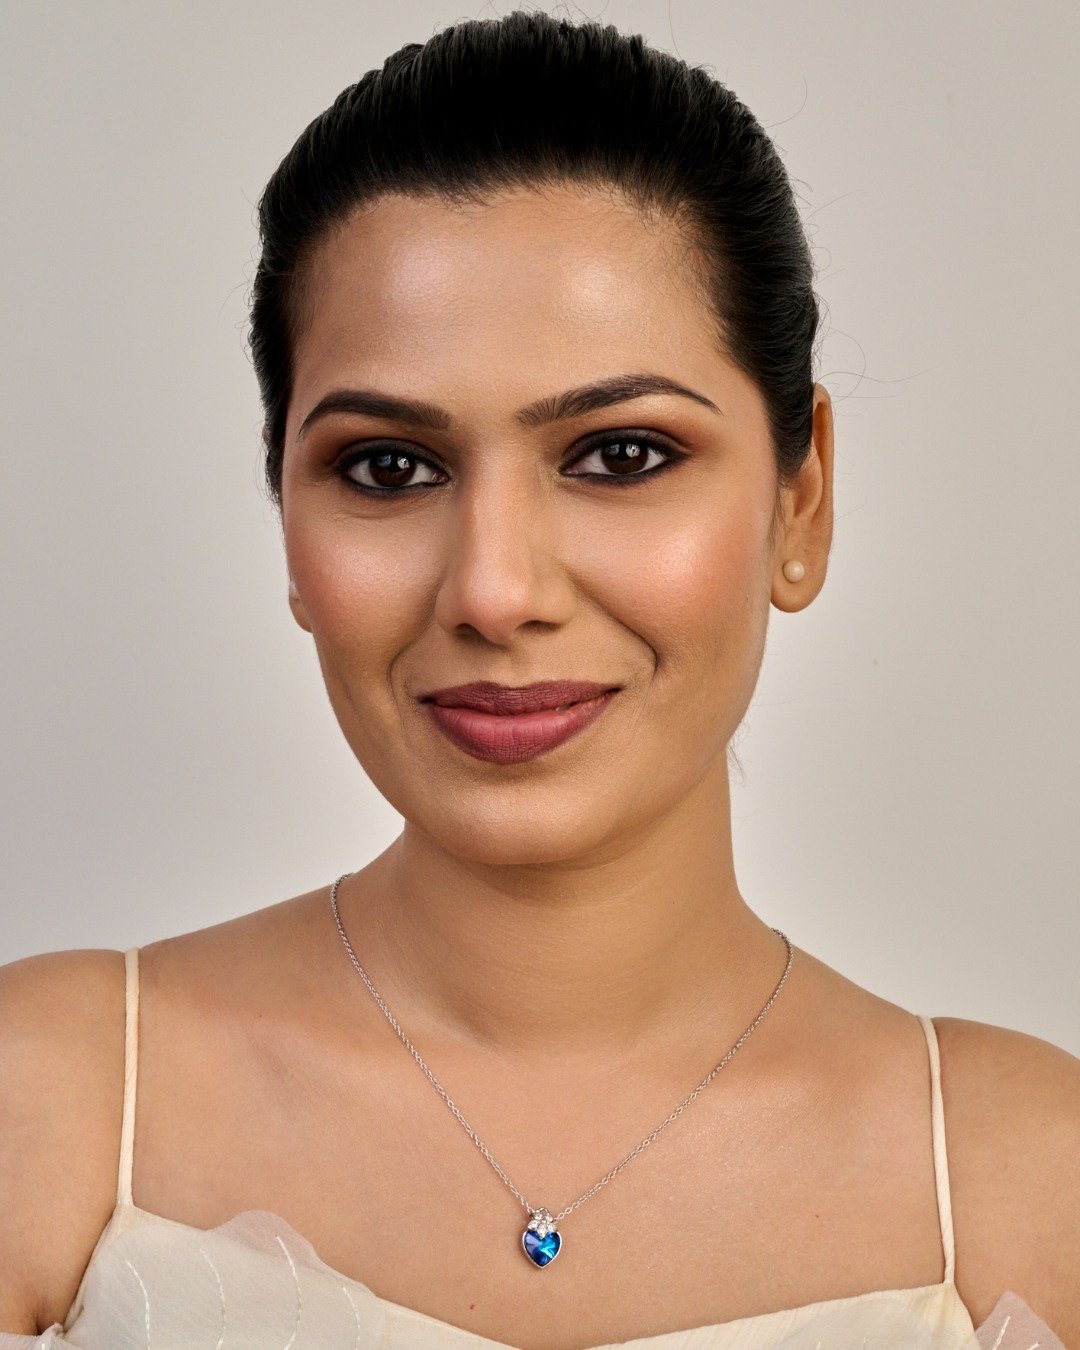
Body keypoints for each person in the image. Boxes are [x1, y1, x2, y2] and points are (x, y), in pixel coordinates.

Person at [0, 11, 1076, 1348]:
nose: (495, 590)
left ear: (801, 503)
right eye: (389, 467)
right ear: (285, 519)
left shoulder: (1033, 1184)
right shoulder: (44, 1110)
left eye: (621, 455)